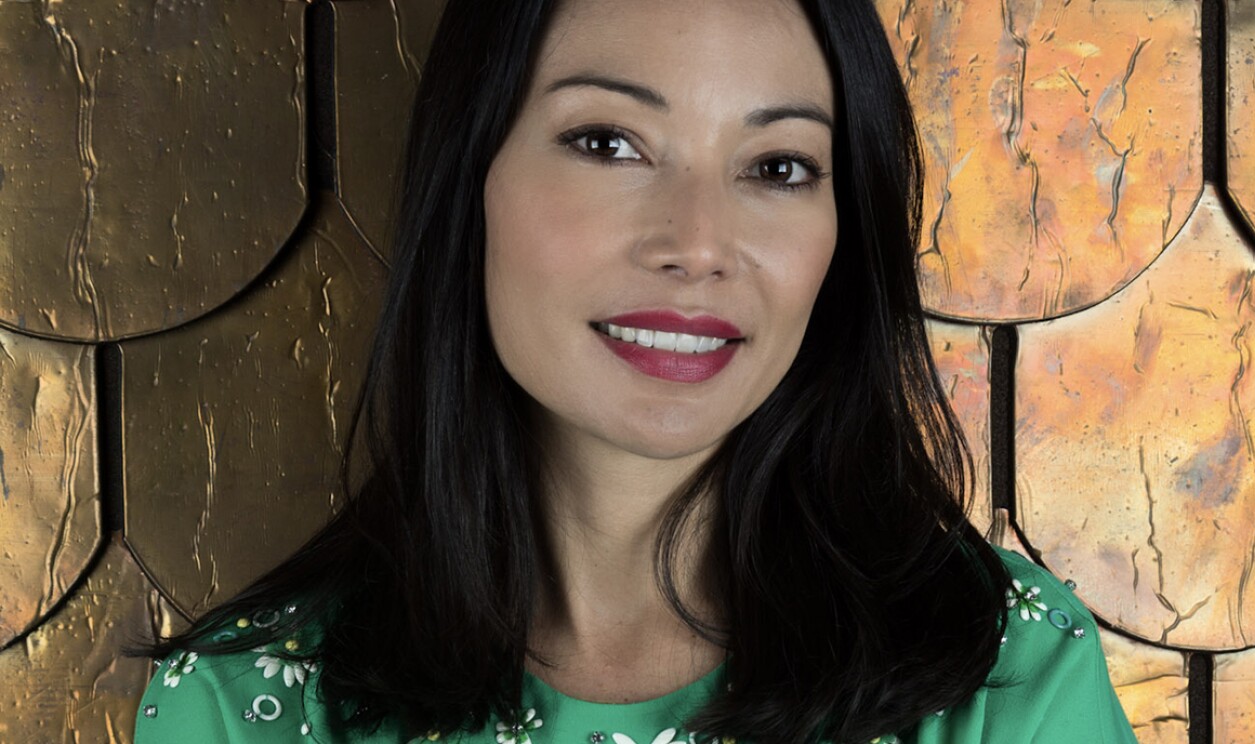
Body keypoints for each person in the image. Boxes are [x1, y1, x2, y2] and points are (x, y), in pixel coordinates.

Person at [133, 0, 1139, 742]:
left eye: (779, 166)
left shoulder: (1011, 678)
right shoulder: (240, 709)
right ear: (468, 179)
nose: (698, 243)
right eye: (609, 142)